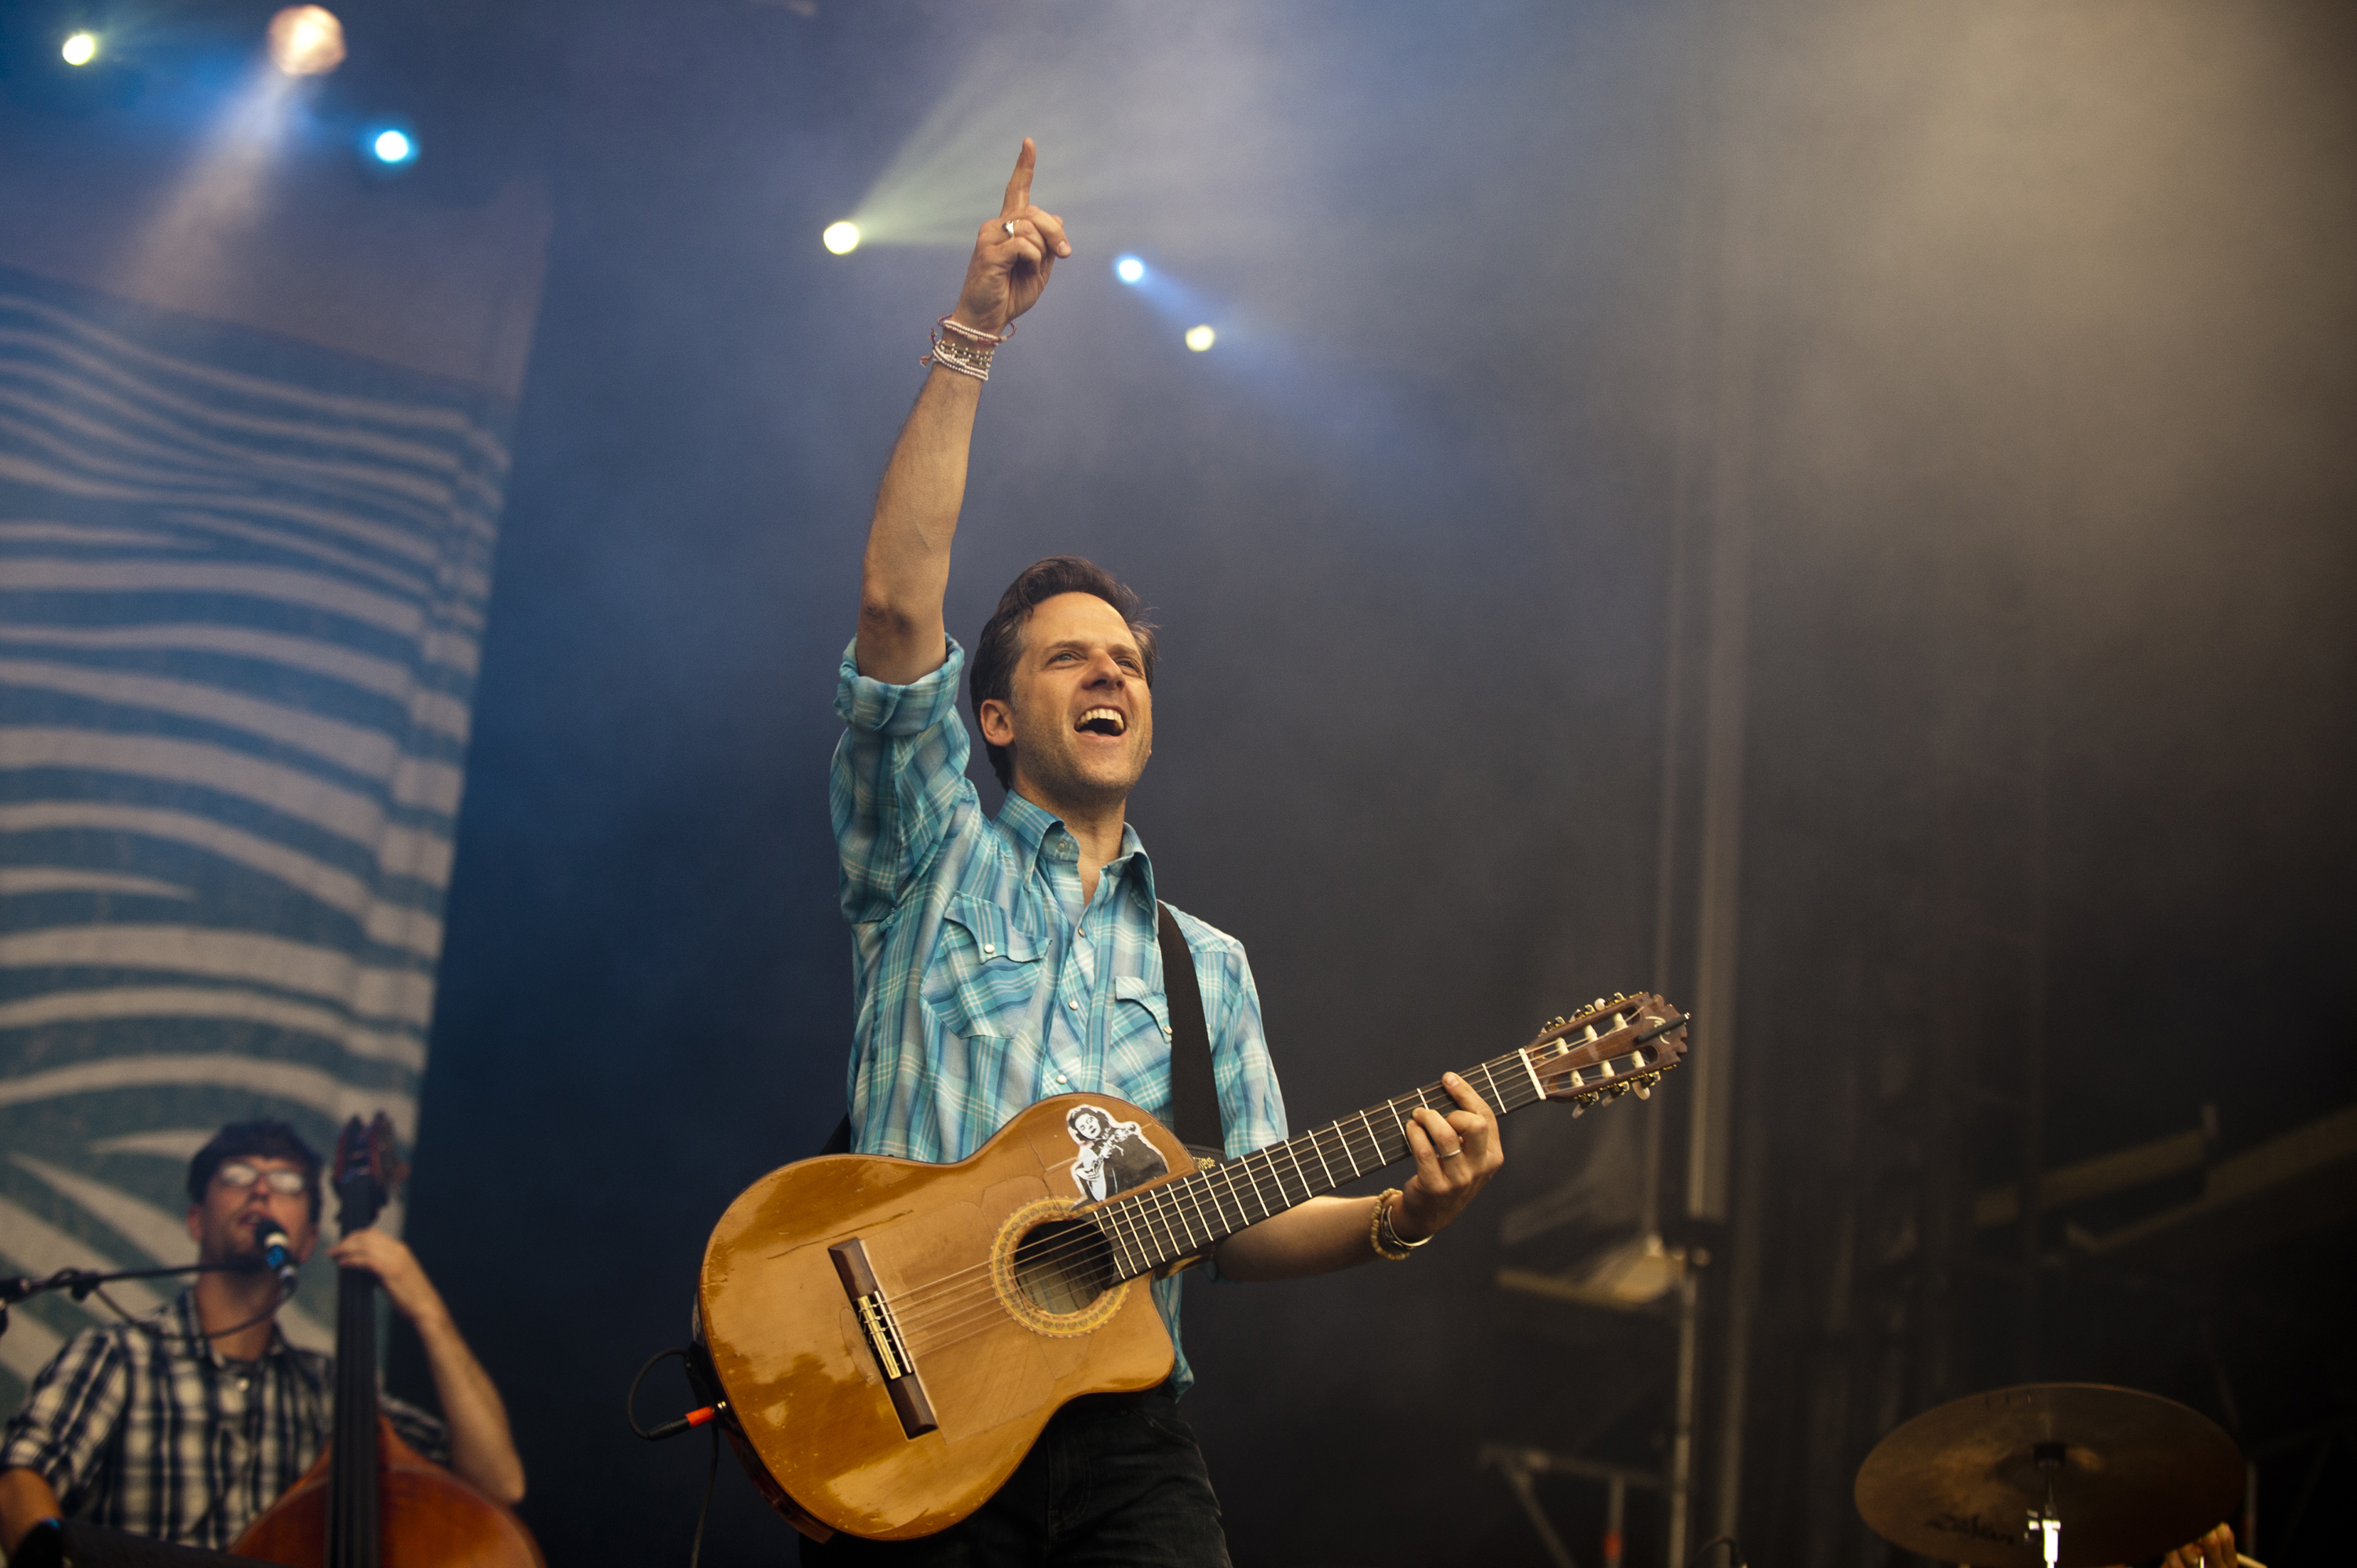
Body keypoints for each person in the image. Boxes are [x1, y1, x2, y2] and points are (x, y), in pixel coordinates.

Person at [820, 138, 1505, 1566]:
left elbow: (1239, 1214)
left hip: (1121, 1434)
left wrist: (1404, 1214)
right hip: (909, 1405)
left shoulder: (1209, 969)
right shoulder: (932, 850)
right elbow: (895, 608)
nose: (1109, 672)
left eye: (1127, 660)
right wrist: (974, 334)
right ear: (995, 715)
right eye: (1069, 657)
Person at [0, 1119, 526, 1555]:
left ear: (307, 1242)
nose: (261, 1189)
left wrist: (429, 1312)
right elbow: (20, 1478)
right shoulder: (119, 1356)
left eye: (288, 1183)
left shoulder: (329, 1391)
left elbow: (497, 1481)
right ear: (196, 1221)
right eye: (238, 1175)